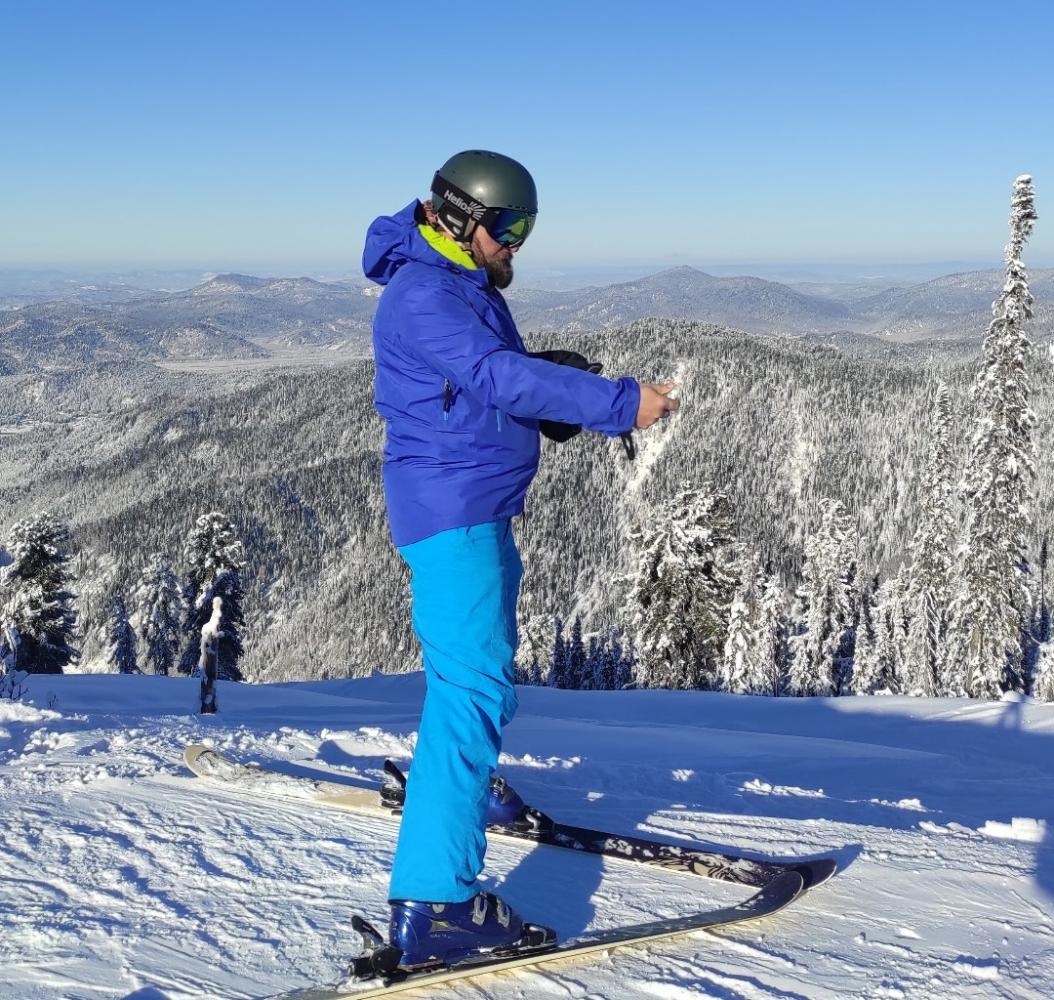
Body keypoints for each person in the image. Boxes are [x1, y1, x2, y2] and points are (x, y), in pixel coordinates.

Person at [361, 149, 679, 969]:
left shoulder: (457, 281)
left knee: (479, 679)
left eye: (527, 227)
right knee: (470, 691)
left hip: (473, 509)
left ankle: (463, 791)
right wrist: (615, 404)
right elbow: (495, 377)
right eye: (510, 226)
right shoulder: (424, 293)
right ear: (461, 218)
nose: (518, 244)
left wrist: (549, 393)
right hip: (453, 517)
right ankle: (437, 903)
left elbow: (479, 391)